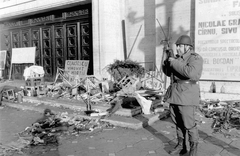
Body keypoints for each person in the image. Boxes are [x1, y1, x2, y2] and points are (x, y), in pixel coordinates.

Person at [162, 35, 203, 156]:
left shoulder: (195, 58)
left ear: (187, 46)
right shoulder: (178, 59)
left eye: (179, 46)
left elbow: (190, 73)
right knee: (178, 123)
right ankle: (181, 146)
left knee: (189, 124)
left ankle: (193, 149)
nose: (177, 48)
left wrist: (174, 62)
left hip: (187, 95)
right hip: (175, 94)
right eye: (177, 46)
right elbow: (169, 73)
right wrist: (167, 59)